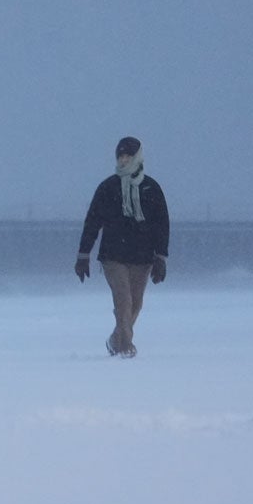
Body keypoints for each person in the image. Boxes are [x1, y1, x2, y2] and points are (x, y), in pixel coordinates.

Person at [75, 136, 170, 358]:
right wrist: (83, 255)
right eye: (121, 156)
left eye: (128, 156)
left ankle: (115, 340)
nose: (124, 160)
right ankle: (125, 347)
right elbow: (92, 222)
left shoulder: (151, 189)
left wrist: (161, 257)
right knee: (123, 300)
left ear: (137, 157)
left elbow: (162, 224)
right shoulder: (108, 188)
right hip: (113, 256)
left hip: (143, 257)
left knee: (135, 304)